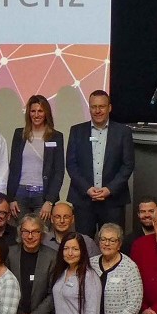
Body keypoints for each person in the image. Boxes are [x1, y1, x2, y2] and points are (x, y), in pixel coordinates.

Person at [65, 90, 134, 238]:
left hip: (113, 201)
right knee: (83, 245)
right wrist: (87, 189)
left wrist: (109, 189)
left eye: (101, 106)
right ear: (89, 108)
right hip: (83, 200)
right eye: (93, 107)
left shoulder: (123, 132)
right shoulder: (76, 131)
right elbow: (71, 164)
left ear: (109, 108)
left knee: (112, 243)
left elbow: (127, 165)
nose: (97, 111)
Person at [6, 95, 64, 223]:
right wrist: (11, 198)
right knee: (21, 235)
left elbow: (59, 171)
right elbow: (13, 167)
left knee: (42, 235)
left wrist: (50, 201)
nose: (36, 115)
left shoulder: (56, 137)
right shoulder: (19, 134)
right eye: (33, 111)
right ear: (28, 113)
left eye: (40, 111)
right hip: (20, 195)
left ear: (46, 113)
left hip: (42, 196)